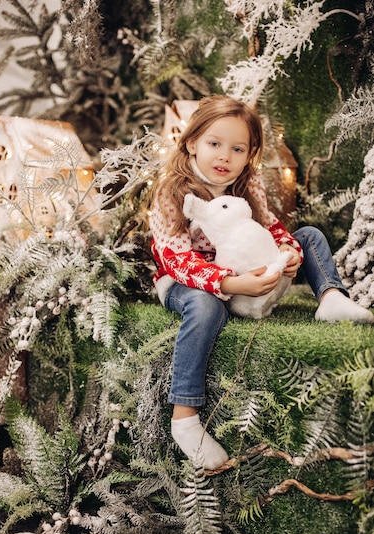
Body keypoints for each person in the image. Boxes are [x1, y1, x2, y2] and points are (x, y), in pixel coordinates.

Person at [148, 94, 374, 471]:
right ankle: (184, 417)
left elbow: (271, 228)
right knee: (205, 306)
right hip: (185, 280)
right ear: (191, 143)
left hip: (246, 272)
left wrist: (287, 257)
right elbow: (175, 257)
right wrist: (232, 284)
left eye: (237, 149)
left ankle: (331, 296)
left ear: (250, 153)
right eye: (214, 144)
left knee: (309, 235)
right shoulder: (172, 191)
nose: (224, 157)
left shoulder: (247, 184)